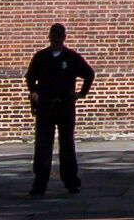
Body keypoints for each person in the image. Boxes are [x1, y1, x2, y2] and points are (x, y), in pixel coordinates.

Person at [26, 23, 93, 195]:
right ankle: (40, 182)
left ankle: (70, 180)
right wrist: (33, 92)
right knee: (43, 144)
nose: (56, 39)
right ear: (49, 37)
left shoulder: (71, 57)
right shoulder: (41, 57)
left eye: (59, 36)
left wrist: (81, 94)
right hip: (45, 105)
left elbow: (88, 74)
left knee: (67, 144)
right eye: (53, 36)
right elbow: (31, 77)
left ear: (64, 38)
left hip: (65, 104)